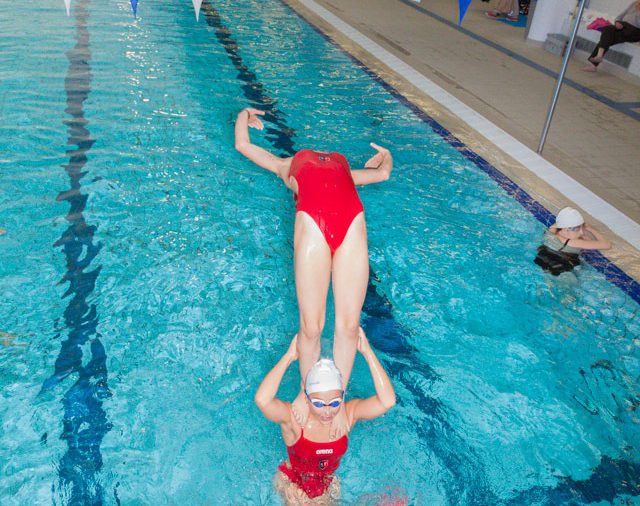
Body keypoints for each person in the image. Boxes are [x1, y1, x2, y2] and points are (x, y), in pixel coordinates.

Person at [235, 107, 393, 433]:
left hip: (352, 224)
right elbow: (244, 147)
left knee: (349, 327)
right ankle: (309, 399)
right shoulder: (285, 166)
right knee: (311, 327)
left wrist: (385, 161)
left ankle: (333, 402)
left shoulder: (347, 171)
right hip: (313, 227)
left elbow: (380, 175)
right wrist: (244, 114)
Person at [254, 330, 396, 505]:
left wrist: (368, 352)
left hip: (327, 485)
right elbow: (262, 400)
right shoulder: (295, 421)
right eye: (319, 404)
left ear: (343, 396)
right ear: (307, 398)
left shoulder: (347, 414)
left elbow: (387, 402)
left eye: (335, 402)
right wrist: (289, 357)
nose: (327, 411)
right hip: (294, 484)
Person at [534, 207, 612, 275]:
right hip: (562, 268)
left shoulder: (552, 231)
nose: (582, 232)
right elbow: (607, 245)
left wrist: (577, 229)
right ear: (567, 229)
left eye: (582, 228)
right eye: (578, 229)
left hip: (542, 258)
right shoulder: (572, 242)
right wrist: (591, 229)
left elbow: (557, 225)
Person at [584, 1, 640, 72]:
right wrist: (617, 22)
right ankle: (599, 56)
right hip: (623, 27)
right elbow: (621, 15)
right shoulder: (634, 3)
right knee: (608, 29)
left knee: (608, 36)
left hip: (635, 32)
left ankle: (594, 64)